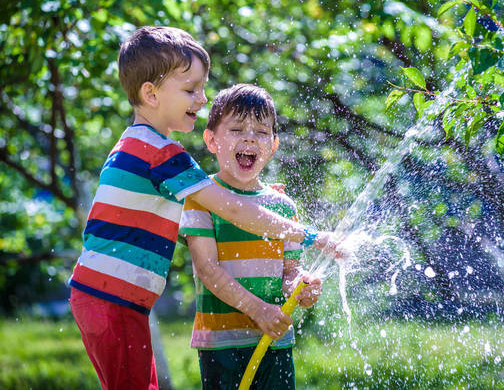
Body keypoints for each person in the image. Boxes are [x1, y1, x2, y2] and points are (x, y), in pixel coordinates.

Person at [68, 26, 339, 390]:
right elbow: (233, 210)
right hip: (112, 298)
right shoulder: (161, 153)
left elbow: (230, 204)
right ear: (151, 94)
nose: (202, 98)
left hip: (108, 296)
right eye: (191, 89)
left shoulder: (138, 143)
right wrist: (311, 236)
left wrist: (260, 199)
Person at [179, 84, 323, 390]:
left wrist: (301, 287)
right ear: (212, 140)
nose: (249, 137)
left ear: (273, 145)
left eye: (261, 131)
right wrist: (258, 310)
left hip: (275, 340)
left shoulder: (283, 207)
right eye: (236, 129)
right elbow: (206, 269)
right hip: (222, 344)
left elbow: (289, 273)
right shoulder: (201, 198)